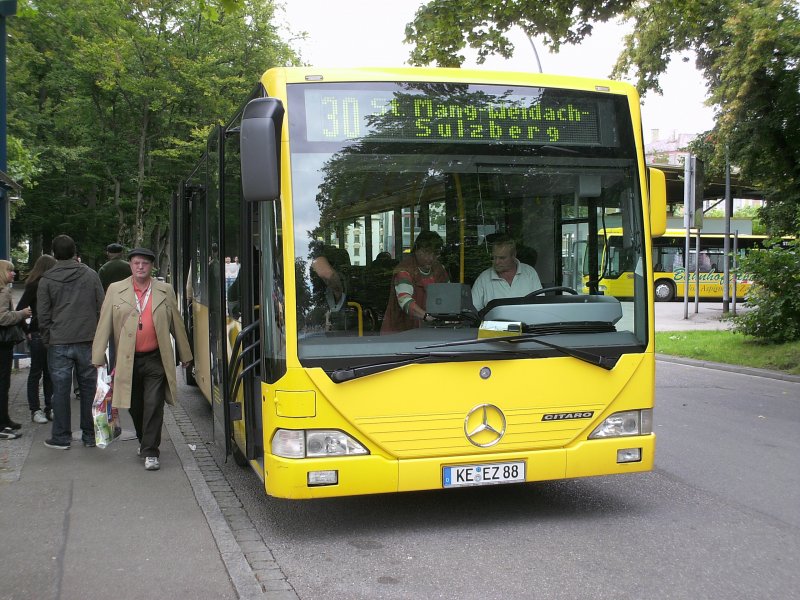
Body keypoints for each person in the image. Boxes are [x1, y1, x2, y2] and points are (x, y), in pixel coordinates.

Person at [92, 247, 192, 471]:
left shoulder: (165, 290)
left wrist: (185, 354)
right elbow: (104, 323)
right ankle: (143, 439)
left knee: (154, 404)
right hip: (127, 360)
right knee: (135, 406)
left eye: (145, 263)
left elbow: (177, 324)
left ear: (151, 266)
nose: (140, 267)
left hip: (156, 358)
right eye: (136, 263)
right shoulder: (116, 290)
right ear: (130, 265)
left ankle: (150, 451)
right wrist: (98, 356)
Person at [37, 235, 105, 450]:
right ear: (75, 251)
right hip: (87, 339)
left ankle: (61, 436)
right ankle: (89, 435)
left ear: (53, 253)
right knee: (88, 389)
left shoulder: (47, 279)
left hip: (59, 341)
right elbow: (101, 306)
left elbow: (43, 314)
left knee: (60, 390)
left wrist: (48, 338)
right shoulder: (90, 275)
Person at [15, 254, 57, 424]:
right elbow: (20, 309)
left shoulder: (46, 284)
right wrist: (27, 329)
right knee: (38, 372)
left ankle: (47, 407)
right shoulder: (36, 286)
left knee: (48, 372)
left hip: (47, 333)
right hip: (39, 333)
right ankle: (36, 409)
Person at [381, 231, 449, 334]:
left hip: (426, 332)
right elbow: (405, 301)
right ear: (417, 250)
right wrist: (426, 316)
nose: (430, 258)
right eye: (426, 252)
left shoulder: (439, 269)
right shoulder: (404, 270)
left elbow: (450, 294)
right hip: (399, 333)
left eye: (435, 253)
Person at [0, 261, 32, 439]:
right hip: (2, 343)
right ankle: (2, 424)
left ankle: (5, 419)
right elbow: (2, 318)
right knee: (3, 383)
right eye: (10, 271)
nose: (13, 274)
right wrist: (22, 314)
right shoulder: (4, 291)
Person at [471, 234, 542, 311]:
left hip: (528, 321)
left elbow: (541, 304)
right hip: (495, 322)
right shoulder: (483, 279)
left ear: (514, 255)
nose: (497, 262)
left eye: (502, 258)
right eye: (494, 258)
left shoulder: (529, 273)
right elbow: (472, 311)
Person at [97, 243, 132, 369]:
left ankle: (114, 369)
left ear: (108, 253)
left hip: (113, 308)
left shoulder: (104, 269)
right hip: (131, 306)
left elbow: (100, 291)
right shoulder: (129, 267)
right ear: (121, 253)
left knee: (113, 341)